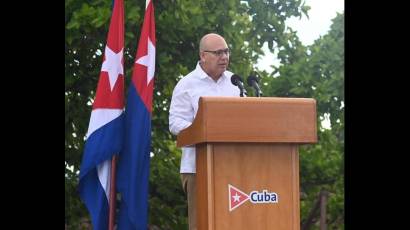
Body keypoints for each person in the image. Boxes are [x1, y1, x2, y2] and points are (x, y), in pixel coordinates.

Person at [169, 33, 240, 230]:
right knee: (203, 224)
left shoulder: (235, 83)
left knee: (233, 222)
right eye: (218, 53)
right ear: (203, 56)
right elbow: (175, 123)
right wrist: (203, 130)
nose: (224, 57)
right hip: (198, 168)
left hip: (234, 166)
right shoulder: (186, 85)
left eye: (226, 51)